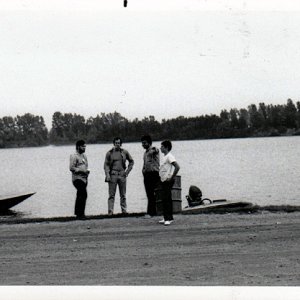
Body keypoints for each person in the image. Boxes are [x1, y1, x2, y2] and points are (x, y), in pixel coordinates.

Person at [104, 137, 134, 215]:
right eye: (116, 143)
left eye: (119, 143)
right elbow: (106, 165)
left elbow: (131, 161)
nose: (117, 144)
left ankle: (124, 211)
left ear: (121, 144)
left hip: (122, 175)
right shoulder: (109, 153)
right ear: (114, 143)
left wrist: (127, 172)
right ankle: (110, 212)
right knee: (111, 195)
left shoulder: (125, 152)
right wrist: (107, 174)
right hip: (113, 175)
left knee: (123, 195)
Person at [158, 140, 180, 226]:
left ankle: (168, 218)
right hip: (163, 180)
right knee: (165, 199)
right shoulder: (164, 156)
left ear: (166, 147)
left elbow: (177, 167)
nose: (160, 148)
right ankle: (167, 217)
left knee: (166, 198)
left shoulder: (170, 156)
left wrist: (172, 177)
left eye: (162, 146)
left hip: (168, 180)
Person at [69, 140, 90, 219]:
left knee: (81, 195)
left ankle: (79, 214)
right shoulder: (74, 156)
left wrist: (86, 172)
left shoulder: (84, 156)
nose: (84, 148)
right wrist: (81, 170)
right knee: (83, 193)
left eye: (85, 146)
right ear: (78, 147)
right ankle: (80, 214)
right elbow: (71, 168)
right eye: (83, 146)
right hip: (77, 179)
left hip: (84, 178)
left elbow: (86, 166)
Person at [141, 135, 160, 217]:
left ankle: (150, 212)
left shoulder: (153, 150)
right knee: (149, 194)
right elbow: (145, 164)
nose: (143, 144)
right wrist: (143, 170)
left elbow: (156, 150)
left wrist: (154, 149)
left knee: (152, 194)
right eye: (142, 143)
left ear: (149, 143)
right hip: (147, 175)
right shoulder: (145, 153)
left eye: (144, 143)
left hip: (154, 174)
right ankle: (152, 212)